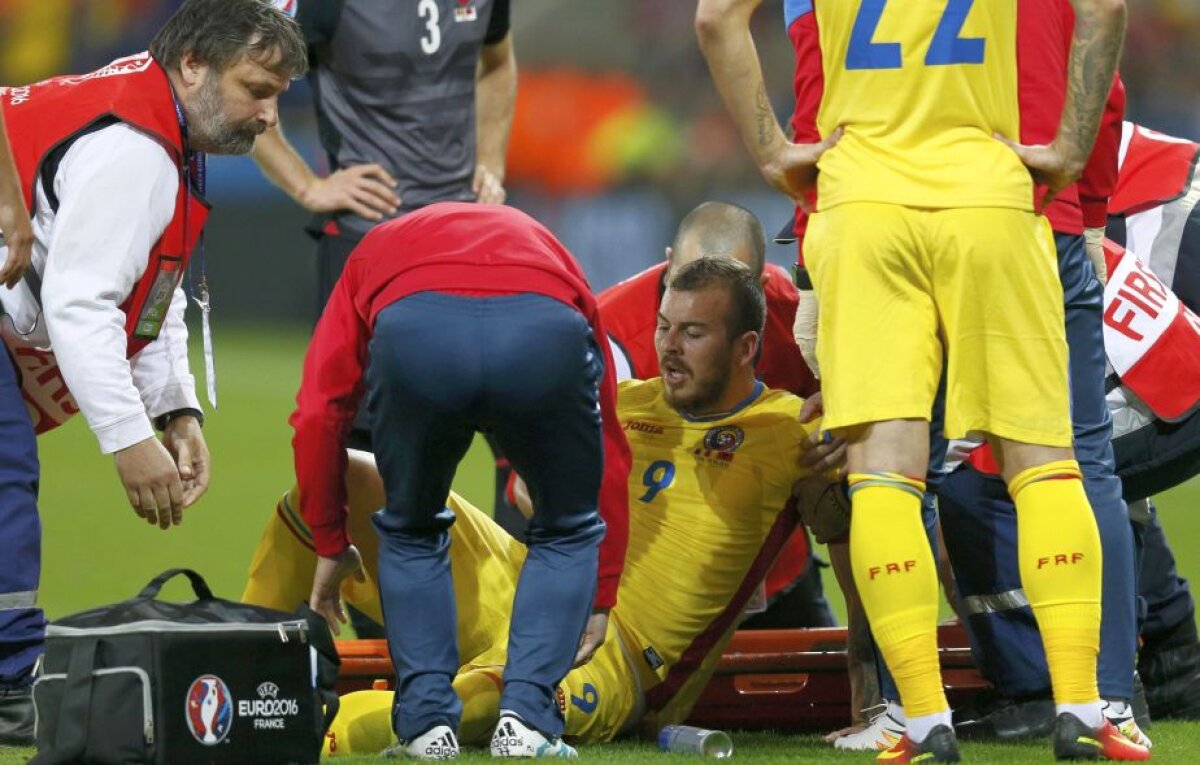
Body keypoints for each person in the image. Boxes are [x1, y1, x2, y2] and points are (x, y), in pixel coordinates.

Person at [697, 1, 1136, 763]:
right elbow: (1104, 8)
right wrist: (1070, 145)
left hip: (863, 208)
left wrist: (773, 151)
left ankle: (925, 720)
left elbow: (714, 19)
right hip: (990, 200)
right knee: (1043, 461)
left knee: (884, 472)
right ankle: (1081, 706)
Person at [249, 256, 845, 756]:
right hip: (531, 582)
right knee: (343, 476)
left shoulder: (793, 429)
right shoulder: (624, 401)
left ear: (745, 347)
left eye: (693, 333)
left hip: (615, 660)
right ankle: (237, 669)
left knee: (478, 707)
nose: (669, 347)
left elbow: (844, 529)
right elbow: (524, 491)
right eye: (664, 327)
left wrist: (847, 447)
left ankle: (282, 727)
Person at [0, 0, 305, 746]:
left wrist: (176, 409)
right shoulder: (136, 149)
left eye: (277, 97)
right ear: (193, 65)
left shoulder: (161, 121)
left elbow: (147, 286)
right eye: (256, 90)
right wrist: (129, 440)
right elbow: (80, 304)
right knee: (4, 472)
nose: (269, 117)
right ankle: (8, 682)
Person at [290, 202, 630, 759]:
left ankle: (426, 728)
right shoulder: (547, 244)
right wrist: (603, 588)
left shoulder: (371, 252)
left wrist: (330, 538)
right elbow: (610, 438)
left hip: (416, 338)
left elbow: (318, 414)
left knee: (411, 529)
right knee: (567, 530)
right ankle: (527, 724)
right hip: (543, 331)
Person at [598, 200, 834, 630]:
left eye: (728, 290)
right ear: (668, 264)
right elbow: (540, 487)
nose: (702, 303)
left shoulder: (796, 317)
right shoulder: (609, 339)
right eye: (689, 281)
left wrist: (838, 429)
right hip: (646, 597)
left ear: (760, 286)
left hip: (776, 576)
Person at [251, 0, 517, 313]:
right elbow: (247, 74)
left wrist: (490, 162)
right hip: (365, 234)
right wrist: (307, 187)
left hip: (464, 230)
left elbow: (498, 63)